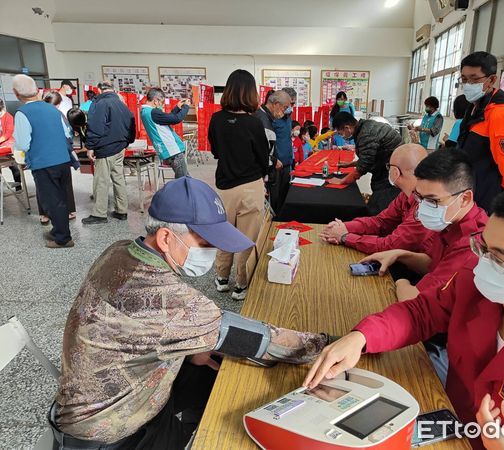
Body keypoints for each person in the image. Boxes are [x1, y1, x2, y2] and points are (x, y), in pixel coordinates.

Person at [304, 181, 504, 450]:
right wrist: (362, 337)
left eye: (500, 259)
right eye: (482, 247)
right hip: (451, 425)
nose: (483, 263)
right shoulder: (474, 280)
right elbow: (421, 313)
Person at [51, 176, 333, 450]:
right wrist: (332, 344)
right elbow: (261, 339)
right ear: (165, 237)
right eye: (205, 242)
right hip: (114, 432)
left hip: (97, 398)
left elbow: (153, 328)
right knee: (239, 404)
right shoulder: (169, 301)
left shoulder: (120, 251)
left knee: (213, 368)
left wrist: (190, 344)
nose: (212, 250)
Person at [361, 149, 488, 302]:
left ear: (465, 199)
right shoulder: (449, 220)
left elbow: (416, 299)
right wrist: (400, 254)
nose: (422, 208)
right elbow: (433, 264)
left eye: (432, 200)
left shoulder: (472, 244)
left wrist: (401, 282)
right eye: (419, 198)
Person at [209, 69, 270, 301]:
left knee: (224, 232)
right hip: (251, 186)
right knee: (247, 237)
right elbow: (263, 159)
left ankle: (222, 278)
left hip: (224, 186)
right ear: (251, 93)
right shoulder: (254, 123)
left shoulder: (216, 119)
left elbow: (215, 151)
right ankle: (240, 285)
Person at [319, 144, 434, 256]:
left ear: (395, 172)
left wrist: (345, 236)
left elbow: (390, 245)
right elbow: (381, 221)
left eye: (388, 167)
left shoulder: (427, 204)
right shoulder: (406, 195)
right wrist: (345, 227)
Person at [458, 51, 504, 213]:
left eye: (474, 79)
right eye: (464, 79)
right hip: (470, 193)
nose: (468, 84)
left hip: (488, 200)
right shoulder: (475, 109)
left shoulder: (500, 115)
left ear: (492, 80)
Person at [12, 74, 74, 248]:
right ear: (37, 90)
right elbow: (66, 133)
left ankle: (63, 239)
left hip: (43, 162)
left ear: (16, 93)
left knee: (51, 201)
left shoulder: (22, 113)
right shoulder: (52, 109)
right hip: (62, 159)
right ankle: (58, 231)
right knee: (61, 197)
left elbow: (23, 143)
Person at [83, 80, 136, 224]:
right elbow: (132, 124)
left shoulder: (99, 104)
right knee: (118, 179)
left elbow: (95, 127)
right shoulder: (122, 104)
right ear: (113, 90)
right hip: (120, 148)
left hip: (106, 148)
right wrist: (127, 142)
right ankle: (121, 210)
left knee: (101, 180)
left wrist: (90, 146)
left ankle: (99, 214)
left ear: (99, 90)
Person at [329, 112, 403, 215]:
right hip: (386, 166)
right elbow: (370, 156)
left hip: (391, 171)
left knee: (380, 202)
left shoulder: (366, 134)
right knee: (377, 191)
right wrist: (350, 164)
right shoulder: (365, 126)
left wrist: (342, 181)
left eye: (341, 133)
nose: (342, 136)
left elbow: (365, 164)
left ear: (347, 128)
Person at [36, 92, 77, 225]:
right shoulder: (58, 114)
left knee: (42, 185)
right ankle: (69, 211)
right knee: (64, 182)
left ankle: (44, 214)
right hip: (60, 153)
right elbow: (68, 133)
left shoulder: (36, 114)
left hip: (41, 154)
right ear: (59, 104)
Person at [254, 89, 292, 212]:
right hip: (263, 173)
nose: (285, 111)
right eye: (284, 107)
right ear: (276, 104)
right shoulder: (262, 120)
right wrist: (274, 160)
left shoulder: (267, 118)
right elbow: (259, 152)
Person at [140, 88, 190, 178]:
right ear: (155, 101)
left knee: (184, 180)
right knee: (184, 181)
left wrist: (177, 107)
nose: (161, 105)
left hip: (166, 151)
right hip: (172, 150)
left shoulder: (145, 112)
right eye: (161, 102)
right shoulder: (153, 112)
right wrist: (186, 107)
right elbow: (176, 119)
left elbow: (167, 118)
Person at [271, 87, 297, 212]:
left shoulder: (288, 117)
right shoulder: (274, 117)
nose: (291, 107)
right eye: (289, 104)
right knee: (275, 197)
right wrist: (274, 159)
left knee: (285, 194)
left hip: (287, 162)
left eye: (293, 104)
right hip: (276, 163)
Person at [0, 98, 21, 191]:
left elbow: (8, 132)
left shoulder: (8, 116)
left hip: (7, 144)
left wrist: (1, 139)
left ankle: (18, 186)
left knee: (14, 166)